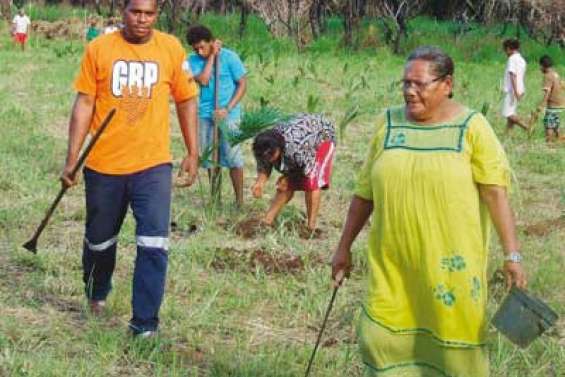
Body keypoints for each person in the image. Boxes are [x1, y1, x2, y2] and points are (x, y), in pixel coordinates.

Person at [331, 46, 527, 377]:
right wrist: (343, 246)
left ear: (447, 84)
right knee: (382, 342)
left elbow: (495, 193)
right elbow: (364, 194)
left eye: (419, 84)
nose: (410, 91)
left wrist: (513, 256)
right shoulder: (389, 123)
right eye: (405, 83)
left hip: (451, 273)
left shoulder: (472, 127)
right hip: (393, 265)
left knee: (454, 355)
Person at [60, 0, 199, 338]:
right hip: (104, 164)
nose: (142, 19)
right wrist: (72, 158)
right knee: (100, 241)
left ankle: (144, 324)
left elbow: (185, 99)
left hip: (153, 166)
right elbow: (84, 103)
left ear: (157, 15)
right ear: (123, 11)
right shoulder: (99, 48)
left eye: (149, 13)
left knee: (154, 243)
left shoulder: (170, 48)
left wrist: (193, 151)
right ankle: (96, 290)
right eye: (136, 12)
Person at [186, 25, 247, 206]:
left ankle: (239, 201)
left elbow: (242, 84)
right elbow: (204, 80)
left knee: (233, 157)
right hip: (206, 114)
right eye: (195, 48)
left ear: (211, 42)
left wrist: (227, 108)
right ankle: (215, 200)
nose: (199, 51)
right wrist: (211, 55)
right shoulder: (192, 60)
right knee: (212, 159)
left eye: (202, 47)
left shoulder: (230, 57)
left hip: (229, 115)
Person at [251, 114, 336, 232]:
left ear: (279, 148)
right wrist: (259, 183)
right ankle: (267, 221)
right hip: (300, 130)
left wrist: (288, 178)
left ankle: (311, 227)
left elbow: (306, 169)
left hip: (322, 136)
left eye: (271, 155)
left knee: (311, 182)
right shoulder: (262, 147)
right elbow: (264, 166)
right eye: (265, 156)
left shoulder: (296, 148)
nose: (268, 159)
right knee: (284, 185)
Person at [534, 55, 564, 143]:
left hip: (553, 104)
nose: (539, 68)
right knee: (555, 121)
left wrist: (542, 105)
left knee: (548, 124)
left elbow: (547, 92)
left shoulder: (547, 76)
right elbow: (562, 85)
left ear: (543, 65)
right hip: (560, 103)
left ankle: (549, 142)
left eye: (540, 66)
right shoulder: (555, 74)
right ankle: (559, 138)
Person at [501, 38, 529, 133]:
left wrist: (515, 91)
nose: (505, 52)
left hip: (512, 91)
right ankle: (506, 134)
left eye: (505, 50)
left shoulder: (512, 59)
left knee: (508, 114)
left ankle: (527, 127)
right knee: (511, 112)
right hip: (519, 88)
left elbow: (513, 75)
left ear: (509, 48)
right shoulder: (522, 60)